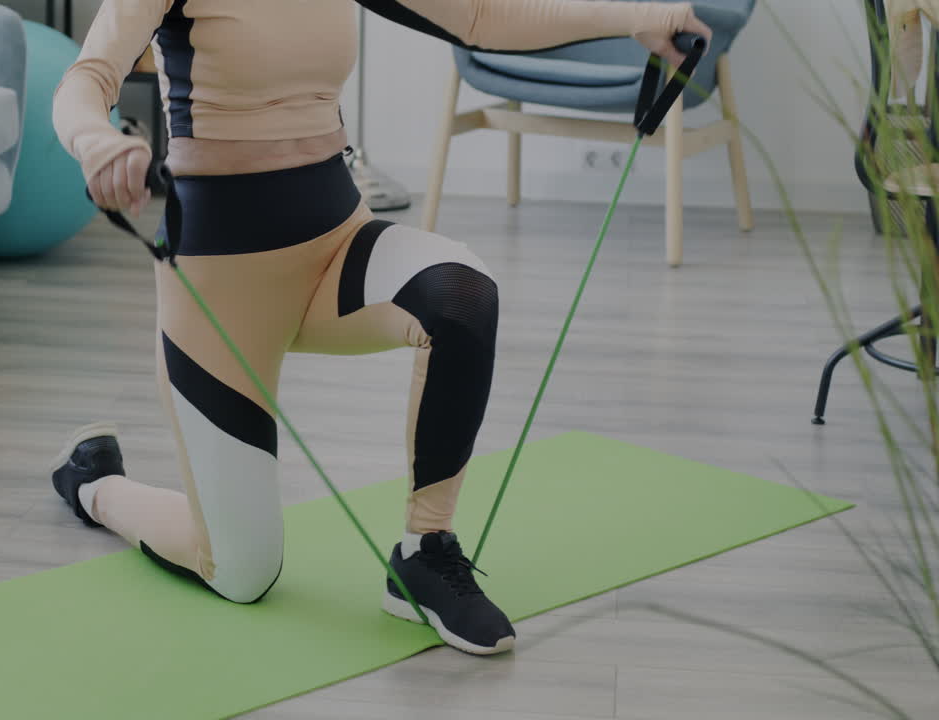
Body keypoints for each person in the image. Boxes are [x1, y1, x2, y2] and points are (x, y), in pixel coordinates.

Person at [50, 0, 711, 655]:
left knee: (463, 295)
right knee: (242, 571)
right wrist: (98, 141)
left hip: (335, 249)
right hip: (220, 293)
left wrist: (637, 16)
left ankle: (424, 552)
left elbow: (479, 17)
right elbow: (86, 79)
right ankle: (95, 484)